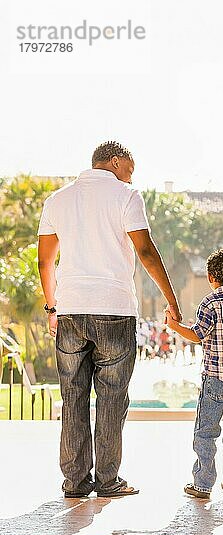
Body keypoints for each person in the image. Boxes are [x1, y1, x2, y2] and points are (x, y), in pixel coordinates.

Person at [37, 141, 182, 499]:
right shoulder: (126, 195)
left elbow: (45, 261)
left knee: (73, 397)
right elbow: (145, 250)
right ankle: (107, 480)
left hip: (71, 310)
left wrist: (52, 306)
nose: (131, 176)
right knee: (112, 399)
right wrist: (172, 300)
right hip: (115, 311)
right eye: (130, 168)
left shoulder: (57, 199)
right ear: (115, 162)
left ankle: (74, 482)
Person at [165, 247, 223, 500]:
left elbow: (196, 335)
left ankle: (203, 484)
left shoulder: (210, 302)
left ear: (210, 277)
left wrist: (174, 326)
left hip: (215, 377)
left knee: (206, 432)